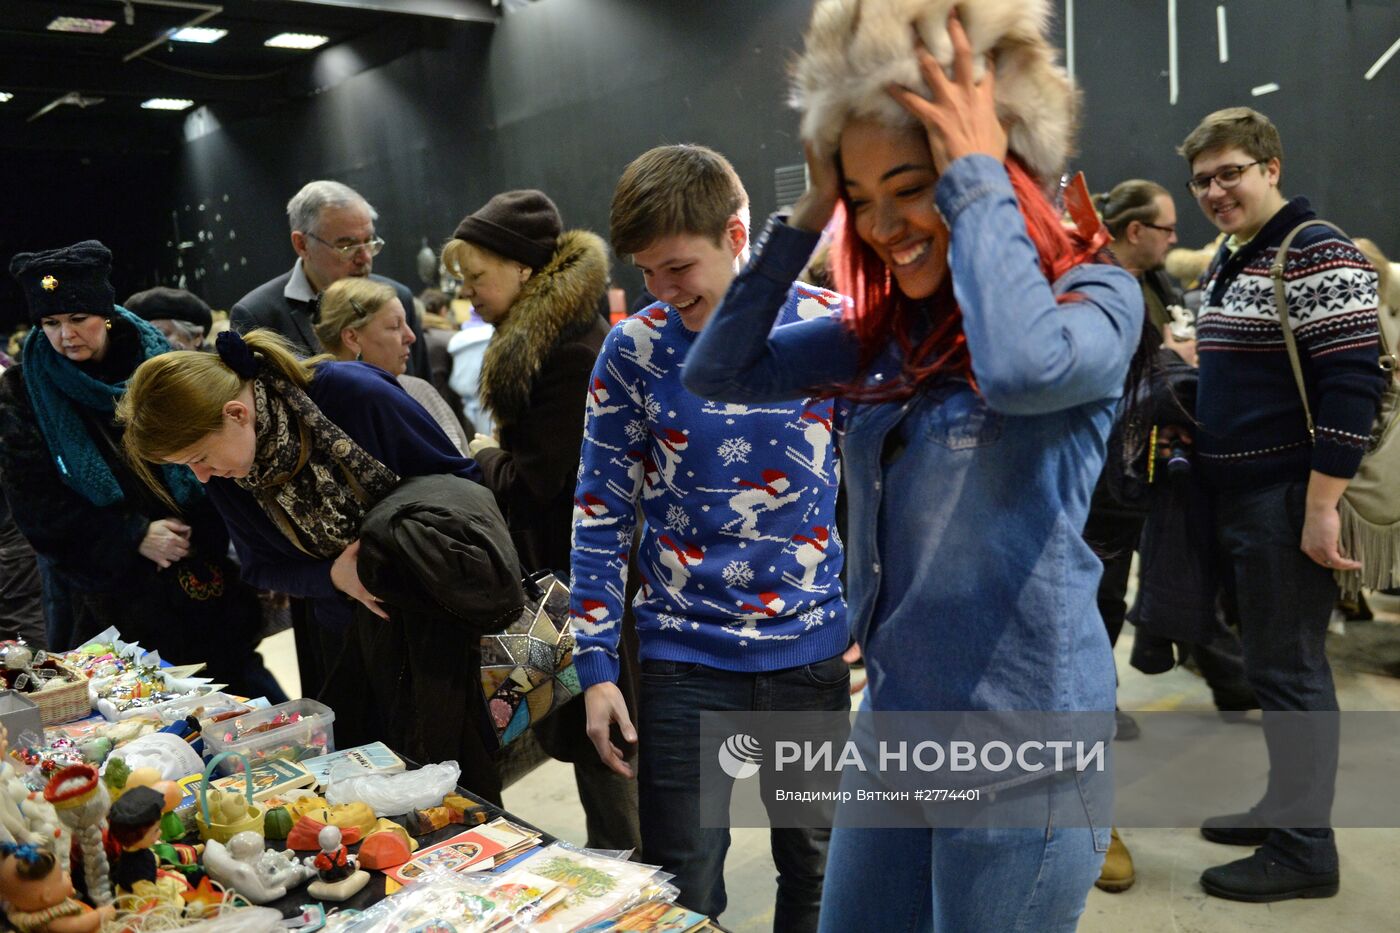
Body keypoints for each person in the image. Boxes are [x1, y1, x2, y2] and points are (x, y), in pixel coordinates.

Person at [683, 5, 1142, 929]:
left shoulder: (1095, 299)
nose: (886, 223)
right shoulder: (883, 336)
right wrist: (811, 209)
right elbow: (717, 369)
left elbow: (1018, 370)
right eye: (864, 198)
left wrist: (975, 174)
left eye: (912, 183)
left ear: (993, 168)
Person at [572, 144, 850, 931]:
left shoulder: (825, 332)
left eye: (677, 267)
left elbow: (881, 489)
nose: (661, 289)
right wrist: (596, 665)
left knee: (819, 871)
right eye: (647, 271)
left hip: (809, 652)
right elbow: (600, 513)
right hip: (683, 661)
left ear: (737, 234)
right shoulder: (633, 349)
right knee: (683, 887)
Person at [115, 329, 506, 801]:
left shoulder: (352, 395)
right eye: (186, 466)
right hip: (345, 640)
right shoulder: (229, 470)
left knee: (460, 787)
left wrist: (403, 548)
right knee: (365, 791)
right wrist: (333, 576)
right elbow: (261, 567)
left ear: (237, 413)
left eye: (198, 458)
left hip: (440, 629)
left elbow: (461, 487)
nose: (200, 476)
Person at [1177, 107, 1385, 902]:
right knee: (1271, 666)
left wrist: (1322, 505)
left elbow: (1352, 385)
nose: (1216, 191)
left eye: (1231, 172)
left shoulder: (1316, 249)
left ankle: (1305, 849)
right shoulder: (1237, 254)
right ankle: (1285, 808)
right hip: (1241, 493)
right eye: (1202, 180)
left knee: (1293, 671)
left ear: (1271, 166)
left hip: (1287, 493)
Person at [0, 241, 284, 701]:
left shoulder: (163, 363)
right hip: (98, 589)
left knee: (234, 691)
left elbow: (219, 451)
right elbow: (36, 507)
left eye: (77, 319)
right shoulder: (23, 391)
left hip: (196, 564)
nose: (64, 335)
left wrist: (218, 538)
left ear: (106, 313)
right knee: (133, 718)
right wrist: (132, 534)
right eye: (50, 323)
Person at [442, 191, 640, 850]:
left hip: (588, 584)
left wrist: (482, 454)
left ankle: (641, 894)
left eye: (477, 278)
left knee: (605, 743)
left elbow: (535, 481)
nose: (468, 296)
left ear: (524, 269)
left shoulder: (566, 355)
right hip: (576, 580)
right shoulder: (553, 338)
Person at [230, 180, 427, 377]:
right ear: (302, 245)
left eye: (369, 242)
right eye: (347, 246)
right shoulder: (258, 316)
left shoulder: (398, 298)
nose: (365, 258)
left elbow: (425, 392)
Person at [313, 277, 467, 453]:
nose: (411, 336)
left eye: (407, 324)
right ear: (352, 338)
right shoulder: (316, 412)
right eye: (395, 326)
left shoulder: (420, 391)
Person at [124, 288, 212, 352]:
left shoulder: (219, 376)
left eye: (161, 333)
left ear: (197, 338)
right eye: (142, 337)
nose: (150, 342)